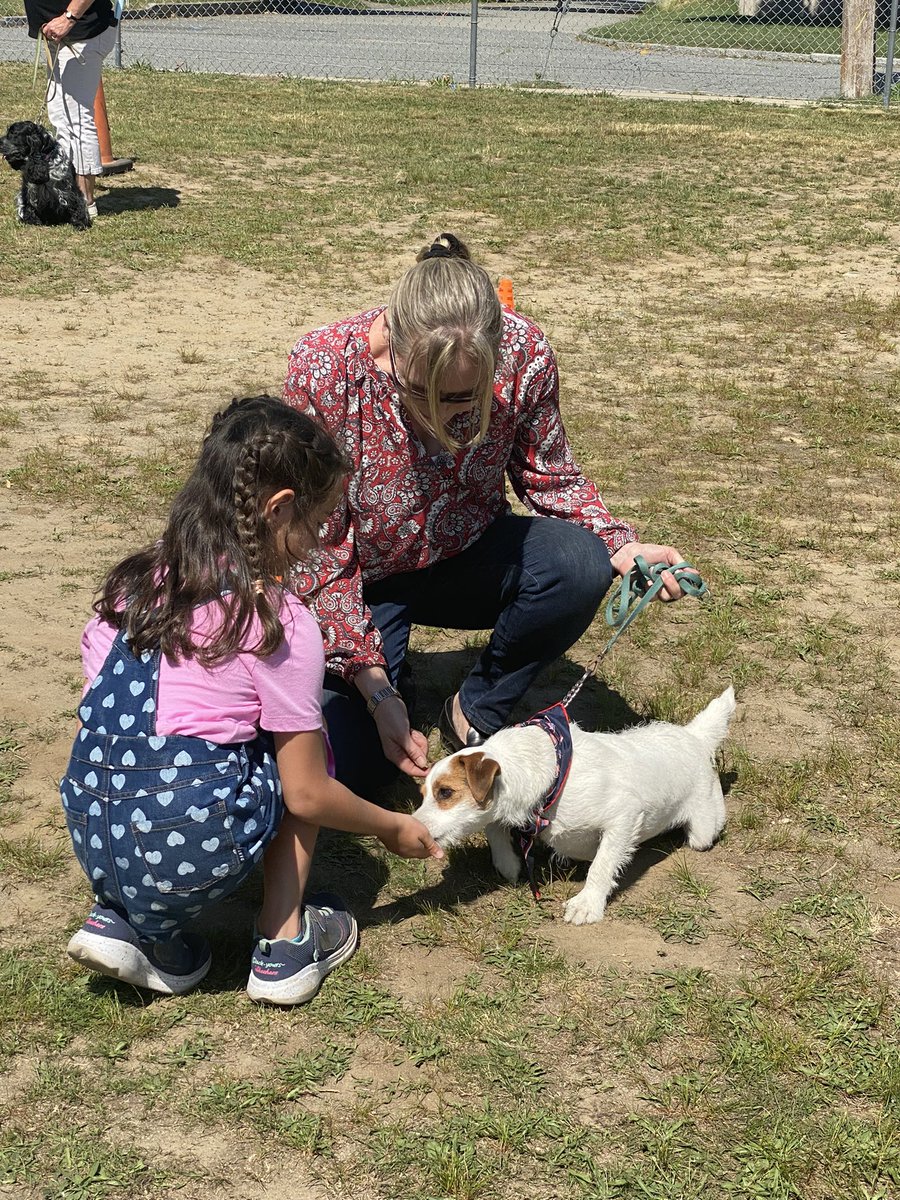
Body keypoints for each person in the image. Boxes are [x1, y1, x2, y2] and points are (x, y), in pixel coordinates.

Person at [61, 395, 442, 1006]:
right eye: (318, 523)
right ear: (279, 508)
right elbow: (307, 794)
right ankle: (284, 941)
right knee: (304, 748)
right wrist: (393, 826)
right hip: (188, 841)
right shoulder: (275, 620)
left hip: (95, 830)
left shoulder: (132, 586)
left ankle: (130, 922)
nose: (318, 543)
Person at [283, 233, 690, 799]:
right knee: (350, 766)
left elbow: (548, 472)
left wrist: (620, 543)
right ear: (391, 340)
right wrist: (373, 686)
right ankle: (392, 678)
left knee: (579, 563)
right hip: (362, 579)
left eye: (461, 398)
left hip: (471, 554)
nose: (438, 415)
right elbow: (319, 550)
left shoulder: (526, 353)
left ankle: (475, 706)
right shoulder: (323, 368)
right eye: (418, 391)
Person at [25, 0, 117, 218]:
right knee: (61, 117)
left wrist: (69, 18)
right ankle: (68, 192)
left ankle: (84, 201)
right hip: (60, 34)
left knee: (76, 119)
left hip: (81, 33)